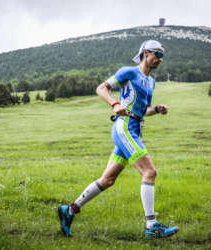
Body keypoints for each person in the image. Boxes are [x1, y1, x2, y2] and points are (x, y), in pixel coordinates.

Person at [58, 40, 179, 239]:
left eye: (162, 55)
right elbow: (101, 88)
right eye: (158, 54)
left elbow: (142, 110)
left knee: (108, 180)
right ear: (146, 53)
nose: (161, 59)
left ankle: (69, 211)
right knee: (149, 172)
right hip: (124, 128)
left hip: (135, 128)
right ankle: (152, 226)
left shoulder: (151, 82)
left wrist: (156, 109)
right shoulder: (129, 72)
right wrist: (114, 103)